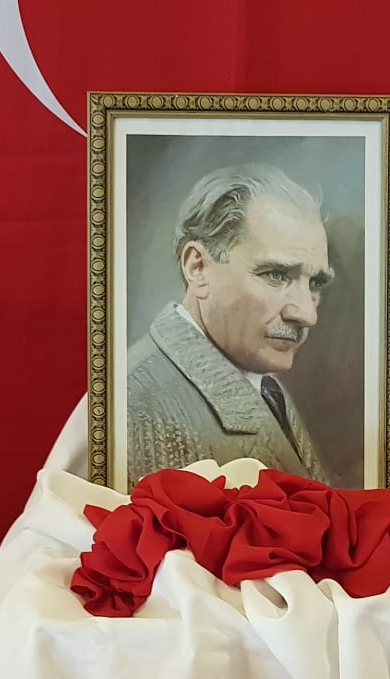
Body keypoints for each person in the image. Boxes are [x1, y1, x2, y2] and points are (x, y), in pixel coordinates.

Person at [125, 164, 343, 487]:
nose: (307, 314)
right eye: (276, 275)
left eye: (315, 283)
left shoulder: (264, 384)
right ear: (198, 268)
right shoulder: (137, 406)